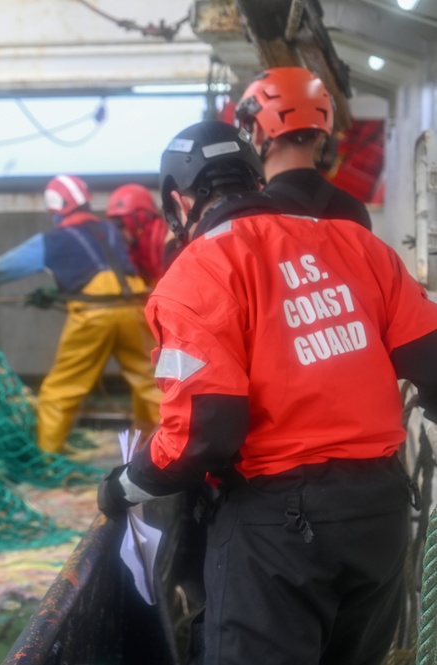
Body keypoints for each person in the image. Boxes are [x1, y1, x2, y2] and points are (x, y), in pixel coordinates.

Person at [98, 120, 437, 665]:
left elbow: (203, 435)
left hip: (277, 529)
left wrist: (128, 485)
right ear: (256, 180)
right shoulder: (355, 243)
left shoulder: (196, 274)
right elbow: (431, 359)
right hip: (380, 513)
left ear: (178, 202)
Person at [0, 174, 162, 452]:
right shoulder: (110, 230)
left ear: (56, 207)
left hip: (92, 316)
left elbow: (3, 267)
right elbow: (105, 268)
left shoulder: (53, 240)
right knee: (151, 382)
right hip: (133, 310)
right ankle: (161, 447)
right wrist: (58, 291)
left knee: (63, 388)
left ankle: (46, 458)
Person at [235, 66, 373, 229]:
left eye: (248, 127)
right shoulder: (354, 211)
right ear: (319, 135)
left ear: (258, 131)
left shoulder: (252, 216)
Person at [105, 183, 166, 285]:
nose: (121, 232)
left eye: (122, 224)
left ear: (140, 217)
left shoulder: (161, 237)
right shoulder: (133, 247)